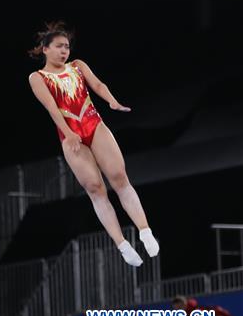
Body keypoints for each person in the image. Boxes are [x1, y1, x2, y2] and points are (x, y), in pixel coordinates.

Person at [28, 21, 159, 266]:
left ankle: (145, 231)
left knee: (119, 177)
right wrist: (68, 133)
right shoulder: (37, 77)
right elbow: (51, 107)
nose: (64, 51)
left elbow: (98, 85)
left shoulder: (78, 66)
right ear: (45, 49)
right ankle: (122, 244)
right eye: (58, 46)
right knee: (95, 188)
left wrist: (111, 101)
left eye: (67, 46)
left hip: (94, 125)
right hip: (70, 135)